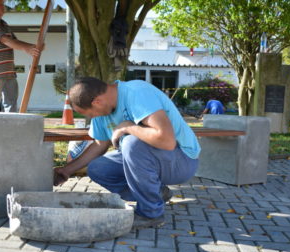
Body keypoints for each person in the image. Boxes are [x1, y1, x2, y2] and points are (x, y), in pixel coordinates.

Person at [54, 77, 201, 229]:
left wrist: (128, 127)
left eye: (89, 114)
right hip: (150, 158)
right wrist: (66, 170)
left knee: (132, 143)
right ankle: (157, 193)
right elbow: (99, 145)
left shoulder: (137, 93)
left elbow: (167, 141)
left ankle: (151, 213)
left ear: (97, 102)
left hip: (181, 160)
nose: (91, 117)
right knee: (98, 168)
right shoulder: (102, 112)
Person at [0, 0, 43, 112]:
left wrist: (33, 47)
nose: (4, 7)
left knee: (11, 103)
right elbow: (5, 40)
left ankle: (10, 127)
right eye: (0, 5)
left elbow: (15, 41)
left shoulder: (4, 24)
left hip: (9, 72)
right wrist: (28, 48)